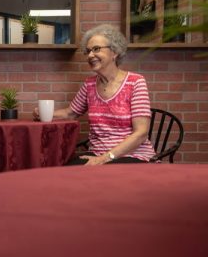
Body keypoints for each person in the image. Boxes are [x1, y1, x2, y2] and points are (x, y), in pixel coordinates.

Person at [34, 24, 156, 165]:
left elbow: (141, 133)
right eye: (88, 51)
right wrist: (44, 114)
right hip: (97, 153)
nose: (90, 55)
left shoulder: (135, 82)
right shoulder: (89, 84)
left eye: (96, 49)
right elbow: (71, 113)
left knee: (102, 178)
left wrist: (104, 158)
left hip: (133, 155)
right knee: (66, 172)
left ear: (114, 52)